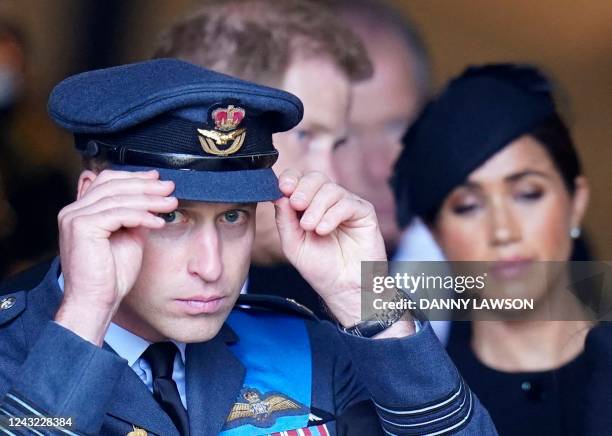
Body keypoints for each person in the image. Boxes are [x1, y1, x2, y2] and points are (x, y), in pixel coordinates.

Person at [0, 59, 496, 435]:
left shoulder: (304, 347)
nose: (212, 266)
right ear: (93, 203)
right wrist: (86, 313)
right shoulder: (11, 350)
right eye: (172, 216)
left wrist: (364, 300)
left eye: (233, 217)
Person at [392, 64, 596, 435]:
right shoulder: (418, 409)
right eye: (468, 206)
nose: (503, 231)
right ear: (436, 235)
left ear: (576, 201)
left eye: (528, 194)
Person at [153, 0, 372, 318]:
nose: (332, 177)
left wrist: (361, 300)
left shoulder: (322, 291)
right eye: (305, 136)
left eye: (336, 145)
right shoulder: (76, 312)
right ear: (221, 119)